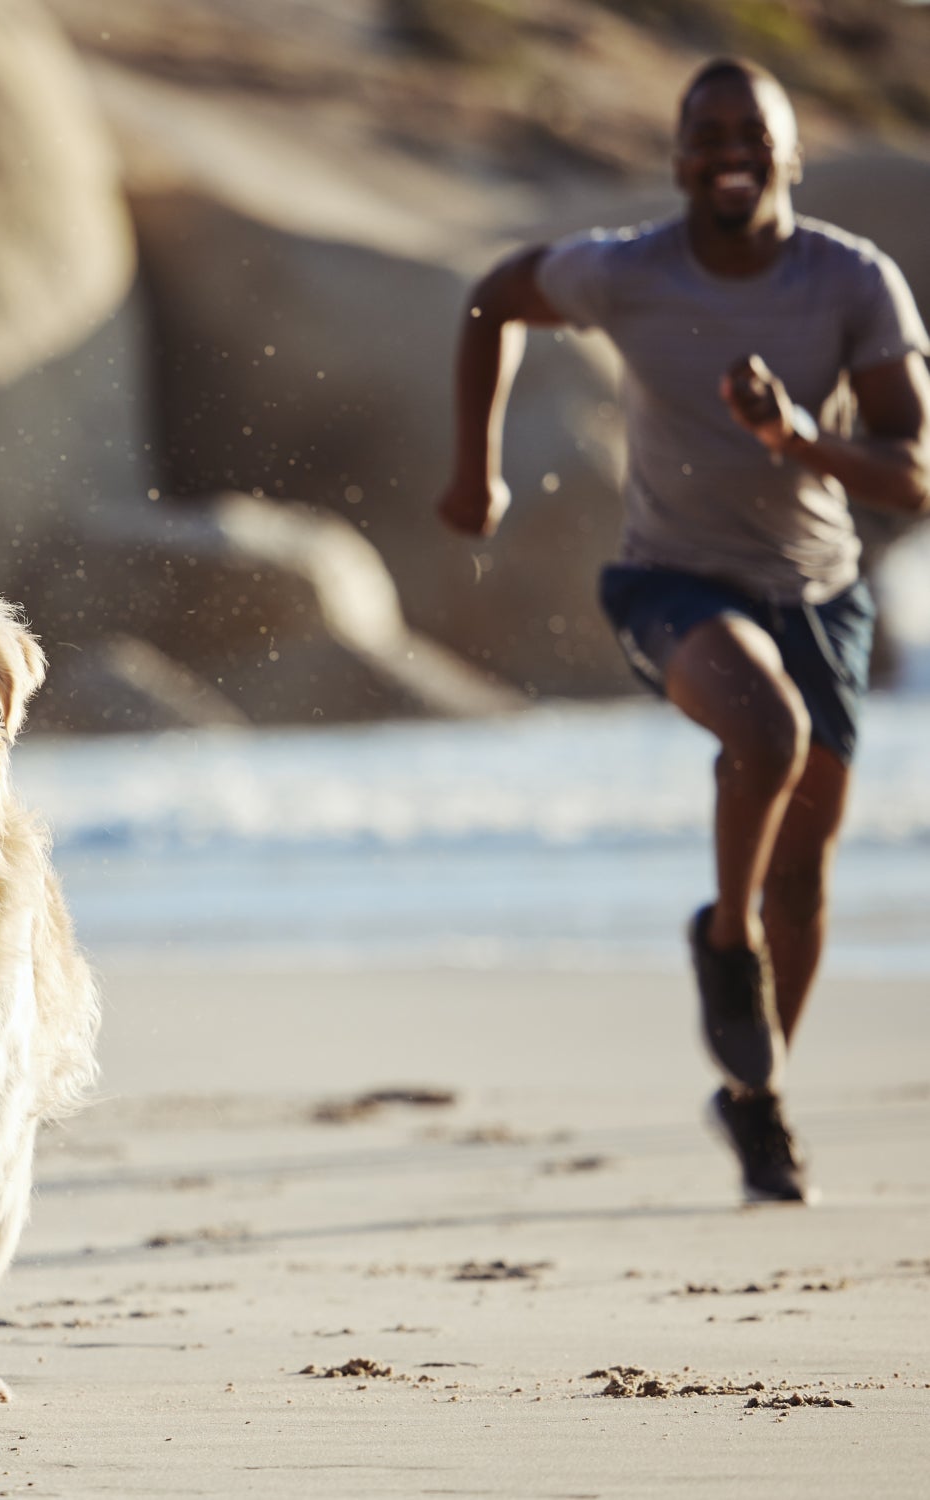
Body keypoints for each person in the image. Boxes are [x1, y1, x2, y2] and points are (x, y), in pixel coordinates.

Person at [436, 57, 930, 1203]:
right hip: (671, 582)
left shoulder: (853, 283)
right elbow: (495, 296)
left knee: (804, 879)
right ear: (677, 157)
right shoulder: (627, 272)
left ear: (789, 155)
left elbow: (913, 473)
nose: (726, 152)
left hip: (819, 589)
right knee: (764, 732)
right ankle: (722, 938)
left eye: (749, 134)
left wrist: (801, 440)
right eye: (704, 134)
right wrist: (477, 470)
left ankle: (757, 1100)